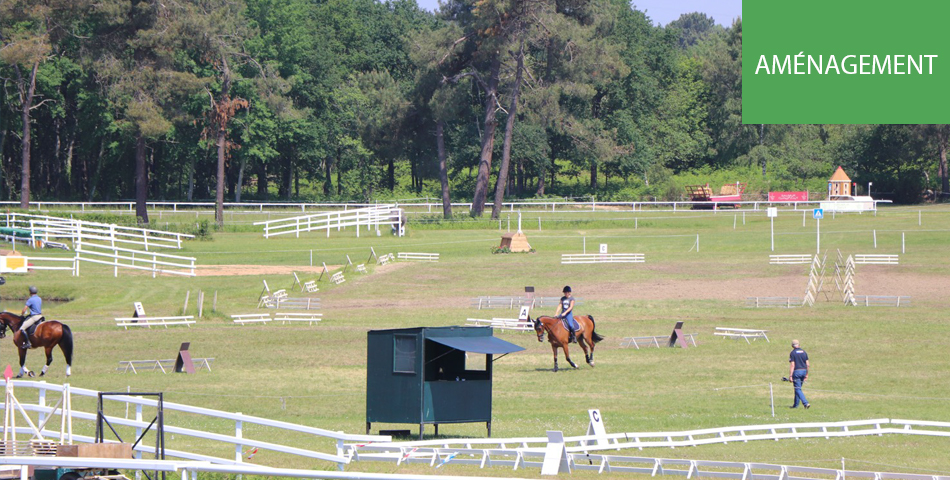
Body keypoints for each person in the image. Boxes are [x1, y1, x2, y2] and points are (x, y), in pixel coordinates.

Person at [788, 339, 810, 409]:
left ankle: (805, 403)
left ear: (792, 346)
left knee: (797, 389)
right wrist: (806, 374)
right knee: (798, 388)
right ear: (799, 345)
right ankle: (795, 405)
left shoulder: (793, 353)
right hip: (804, 371)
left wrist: (790, 375)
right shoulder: (804, 352)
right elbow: (808, 364)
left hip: (797, 372)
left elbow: (792, 365)